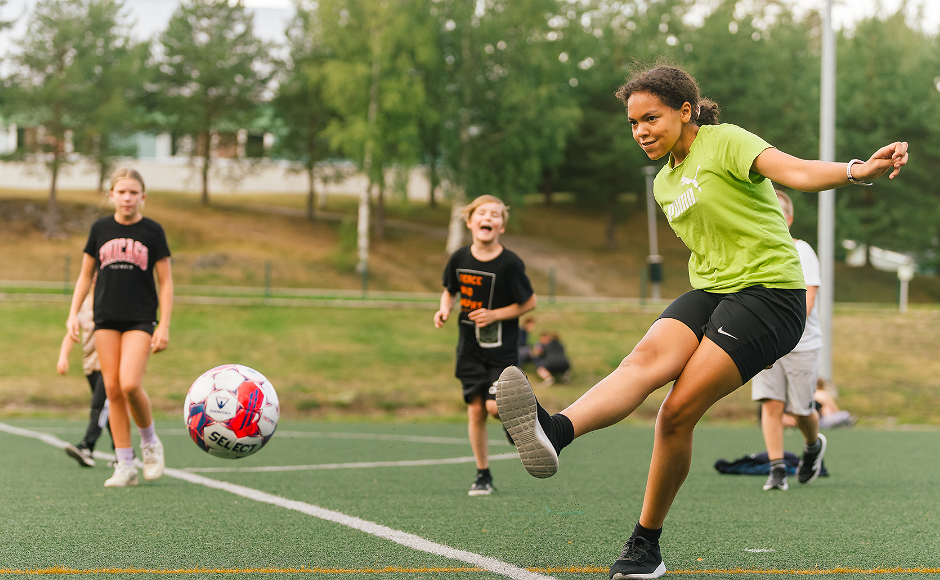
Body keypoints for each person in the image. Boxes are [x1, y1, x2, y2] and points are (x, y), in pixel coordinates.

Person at [494, 64, 907, 579]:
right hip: (713, 289)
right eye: (632, 123)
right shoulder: (664, 183)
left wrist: (856, 170)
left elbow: (796, 171)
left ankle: (645, 545)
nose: (640, 131)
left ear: (685, 111)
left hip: (772, 295)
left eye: (650, 118)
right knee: (642, 362)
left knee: (675, 412)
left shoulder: (726, 141)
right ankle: (555, 431)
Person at [66, 167, 174, 488]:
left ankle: (151, 442)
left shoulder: (153, 231)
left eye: (133, 192)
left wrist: (164, 325)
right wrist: (73, 313)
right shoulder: (100, 229)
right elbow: (85, 275)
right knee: (112, 390)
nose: (127, 198)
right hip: (106, 319)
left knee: (129, 385)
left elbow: (166, 282)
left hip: (140, 319)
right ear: (111, 195)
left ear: (143, 197)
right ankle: (125, 465)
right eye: (121, 192)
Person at [433, 194, 537, 496]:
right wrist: (444, 309)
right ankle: (482, 474)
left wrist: (495, 314)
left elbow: (530, 301)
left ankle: (512, 422)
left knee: (494, 407)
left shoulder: (510, 263)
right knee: (476, 411)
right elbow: (449, 290)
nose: (488, 217)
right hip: (469, 348)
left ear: (501, 226)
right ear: (470, 222)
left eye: (495, 214)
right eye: (482, 213)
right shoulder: (459, 258)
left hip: (501, 349)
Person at [751, 190, 825, 491]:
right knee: (770, 404)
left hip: (801, 344)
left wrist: (778, 333)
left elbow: (805, 304)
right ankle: (777, 469)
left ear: (789, 218)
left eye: (779, 210)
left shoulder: (802, 251)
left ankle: (812, 446)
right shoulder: (754, 252)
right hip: (766, 343)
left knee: (800, 411)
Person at [57, 279, 113, 467]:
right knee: (108, 411)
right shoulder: (83, 306)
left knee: (99, 405)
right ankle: (124, 452)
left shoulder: (110, 302)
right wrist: (63, 357)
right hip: (90, 366)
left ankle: (87, 446)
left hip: (108, 364)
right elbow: (72, 333)